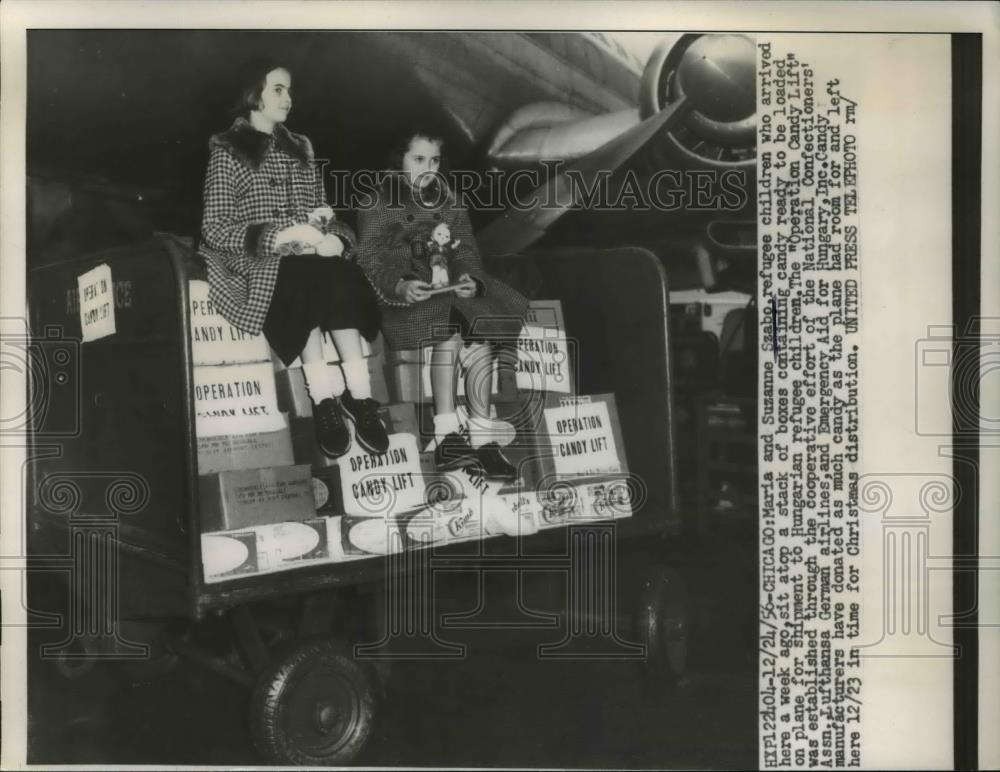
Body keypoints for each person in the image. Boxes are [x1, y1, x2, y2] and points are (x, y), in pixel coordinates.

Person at [199, 59, 388, 458]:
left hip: (310, 256)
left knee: (337, 271)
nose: (289, 98)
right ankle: (322, 400)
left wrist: (332, 235)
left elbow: (321, 210)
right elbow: (214, 229)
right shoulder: (226, 153)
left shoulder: (300, 147)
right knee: (305, 276)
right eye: (278, 90)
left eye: (289, 90)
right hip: (262, 261)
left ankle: (361, 397)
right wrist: (279, 236)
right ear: (253, 96)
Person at [356, 130, 528, 479]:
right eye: (418, 159)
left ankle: (482, 435)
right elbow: (371, 258)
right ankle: (447, 432)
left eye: (434, 160)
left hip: (447, 289)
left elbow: (465, 251)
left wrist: (470, 280)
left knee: (480, 335)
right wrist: (400, 285)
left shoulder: (449, 201)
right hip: (407, 297)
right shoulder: (377, 201)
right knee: (449, 332)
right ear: (398, 160)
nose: (428, 168)